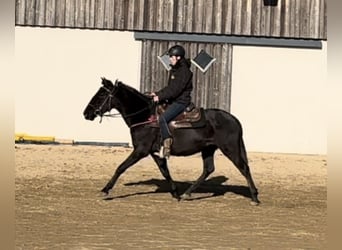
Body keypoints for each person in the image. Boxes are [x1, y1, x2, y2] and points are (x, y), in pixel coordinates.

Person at [151, 45, 193, 159]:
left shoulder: (184, 71)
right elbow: (169, 87)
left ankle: (167, 143)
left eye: (171, 57)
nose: (170, 59)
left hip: (181, 102)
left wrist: (159, 97)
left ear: (178, 57)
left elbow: (175, 90)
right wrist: (157, 93)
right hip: (174, 100)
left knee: (163, 118)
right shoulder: (175, 70)